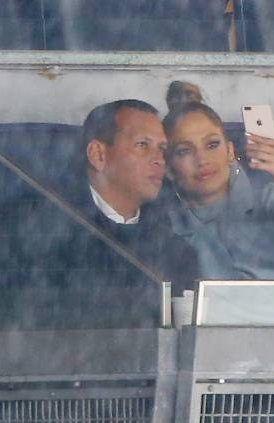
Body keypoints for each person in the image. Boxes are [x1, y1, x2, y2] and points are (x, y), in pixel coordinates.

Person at [49, 99, 198, 328]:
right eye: (142, 145)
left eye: (161, 149)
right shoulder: (44, 229)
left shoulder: (174, 250)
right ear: (98, 155)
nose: (159, 159)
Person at [161, 100, 274, 279]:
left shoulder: (268, 200)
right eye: (184, 151)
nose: (202, 159)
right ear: (168, 168)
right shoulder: (162, 227)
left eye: (212, 145)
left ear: (230, 152)